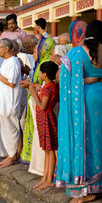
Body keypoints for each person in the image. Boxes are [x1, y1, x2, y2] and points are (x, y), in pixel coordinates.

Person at [55, 20, 102, 203]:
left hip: (85, 99)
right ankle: (99, 182)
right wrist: (95, 77)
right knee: (99, 142)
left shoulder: (77, 52)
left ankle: (84, 189)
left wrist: (86, 78)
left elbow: (60, 78)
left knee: (84, 141)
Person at [0, 38, 22, 167]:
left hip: (9, 102)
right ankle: (9, 154)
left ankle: (12, 156)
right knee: (4, 129)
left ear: (7, 49)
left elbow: (11, 83)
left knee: (11, 129)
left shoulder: (13, 61)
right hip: (2, 101)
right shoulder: (6, 61)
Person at [20, 36, 54, 171]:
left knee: (44, 142)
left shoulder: (47, 65)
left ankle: (43, 170)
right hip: (36, 103)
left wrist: (31, 87)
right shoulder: (40, 63)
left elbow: (45, 88)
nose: (34, 54)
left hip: (42, 106)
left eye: (36, 51)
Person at [29, 61, 59, 190]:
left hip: (46, 118)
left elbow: (42, 106)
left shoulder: (48, 87)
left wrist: (34, 93)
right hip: (44, 119)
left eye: (41, 72)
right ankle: (45, 177)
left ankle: (49, 179)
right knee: (47, 149)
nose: (39, 74)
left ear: (45, 74)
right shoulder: (49, 86)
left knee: (50, 149)